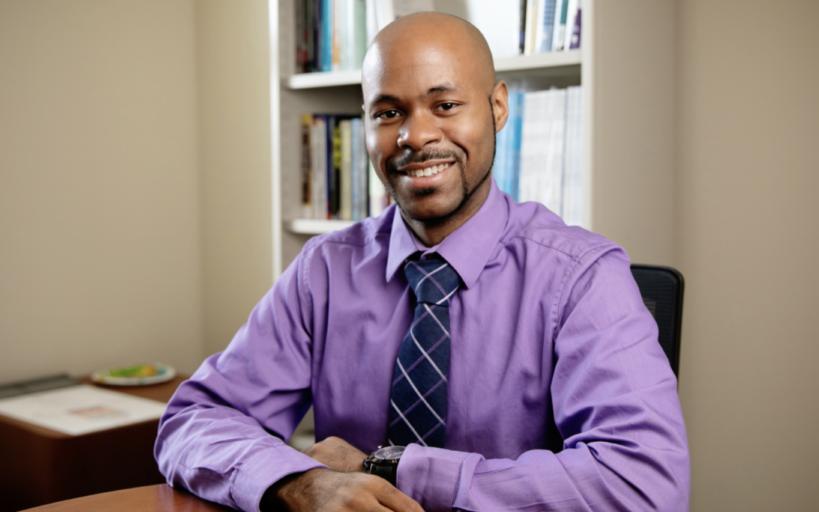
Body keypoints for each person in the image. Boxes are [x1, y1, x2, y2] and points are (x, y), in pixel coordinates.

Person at [155, 12, 690, 512]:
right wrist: (298, 483)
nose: (415, 136)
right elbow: (193, 421)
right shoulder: (325, 270)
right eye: (388, 113)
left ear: (497, 108)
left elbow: (643, 484)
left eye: (445, 105)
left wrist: (392, 468)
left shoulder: (583, 277)